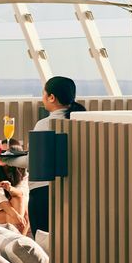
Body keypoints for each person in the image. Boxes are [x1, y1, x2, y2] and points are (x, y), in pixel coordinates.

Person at [27, 75, 85, 235]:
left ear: (51, 97)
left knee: (42, 240)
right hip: (74, 191)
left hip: (44, 191)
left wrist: (6, 158)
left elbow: (34, 161)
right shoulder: (82, 121)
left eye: (44, 94)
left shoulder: (45, 124)